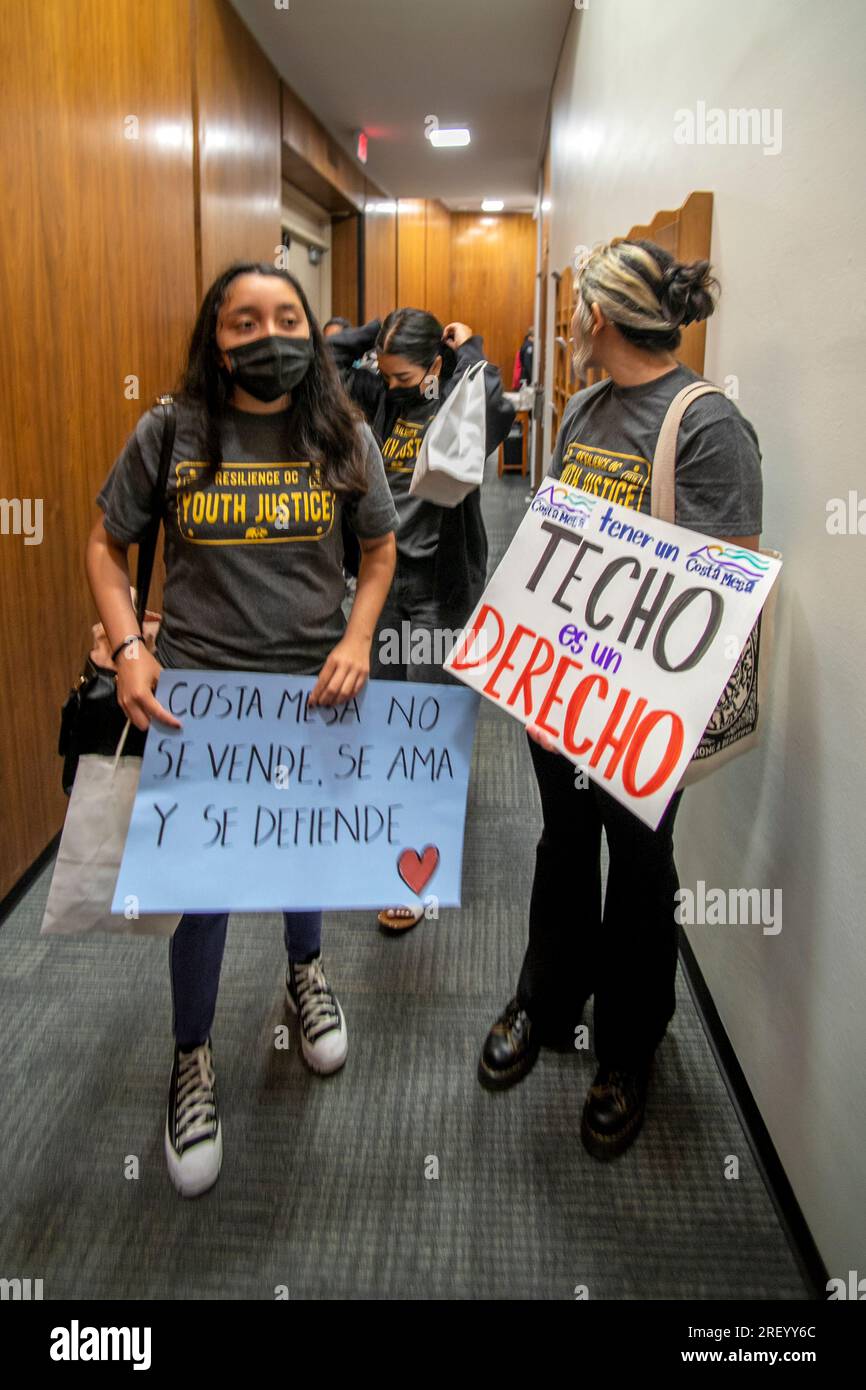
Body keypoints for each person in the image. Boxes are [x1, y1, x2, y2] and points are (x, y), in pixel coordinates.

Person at [86, 263, 398, 1197]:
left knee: (298, 854)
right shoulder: (172, 431)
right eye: (243, 320)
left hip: (311, 696)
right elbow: (107, 542)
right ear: (213, 338)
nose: (267, 334)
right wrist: (127, 646)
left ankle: (306, 976)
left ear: (312, 331)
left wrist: (357, 637)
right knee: (205, 886)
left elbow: (378, 552)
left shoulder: (341, 433)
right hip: (200, 701)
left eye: (287, 316)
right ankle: (192, 1058)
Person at [479, 239, 763, 1161]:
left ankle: (628, 1051)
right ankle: (546, 1002)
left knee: (642, 871)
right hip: (562, 694)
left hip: (644, 715)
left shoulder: (707, 424)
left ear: (597, 317)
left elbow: (724, 591)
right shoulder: (586, 411)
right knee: (563, 846)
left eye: (574, 312)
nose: (567, 325)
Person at [327, 310, 514, 931]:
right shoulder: (379, 394)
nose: (394, 384)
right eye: (387, 374)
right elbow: (322, 362)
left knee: (432, 727)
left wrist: (468, 349)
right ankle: (393, 828)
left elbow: (496, 404)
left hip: (440, 588)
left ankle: (418, 870)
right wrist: (374, 332)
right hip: (382, 583)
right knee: (382, 714)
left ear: (434, 366)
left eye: (407, 374)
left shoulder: (458, 399)